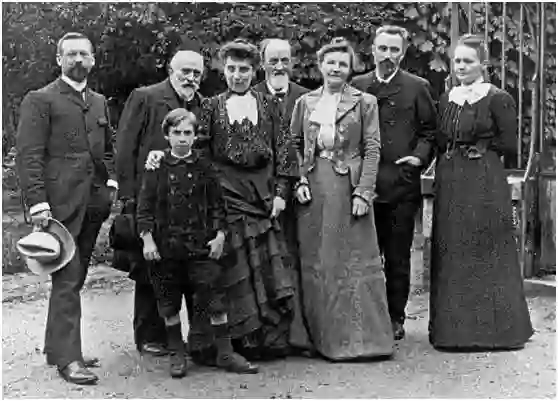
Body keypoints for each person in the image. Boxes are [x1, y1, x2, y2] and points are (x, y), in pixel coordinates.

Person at [145, 38, 300, 364]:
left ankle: (263, 341)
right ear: (223, 70)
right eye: (231, 69)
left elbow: (285, 151)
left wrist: (281, 194)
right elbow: (196, 151)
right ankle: (223, 346)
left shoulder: (270, 105)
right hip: (225, 197)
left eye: (244, 69)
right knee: (224, 272)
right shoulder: (211, 107)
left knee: (263, 268)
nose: (237, 75)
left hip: (262, 198)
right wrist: (162, 156)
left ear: (254, 71)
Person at [16, 32, 116, 385]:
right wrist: (37, 202)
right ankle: (69, 359)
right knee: (68, 279)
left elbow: (107, 149)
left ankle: (56, 347)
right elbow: (28, 156)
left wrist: (111, 184)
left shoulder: (99, 101)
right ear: (59, 59)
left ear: (93, 60)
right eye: (70, 54)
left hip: (93, 202)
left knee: (74, 277)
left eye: (84, 54)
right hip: (58, 205)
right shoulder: (40, 99)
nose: (78, 60)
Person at [289, 37, 394, 361]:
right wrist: (299, 180)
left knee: (351, 262)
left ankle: (360, 341)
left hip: (348, 189)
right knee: (317, 261)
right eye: (330, 62)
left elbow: (372, 149)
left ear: (351, 70)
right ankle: (315, 338)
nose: (336, 68)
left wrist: (363, 192)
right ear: (320, 65)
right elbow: (293, 144)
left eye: (342, 64)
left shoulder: (365, 102)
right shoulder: (305, 102)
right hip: (313, 191)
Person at [428, 34, 533, 351]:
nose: (461, 66)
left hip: (484, 179)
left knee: (486, 248)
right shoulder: (448, 98)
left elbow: (509, 143)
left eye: (468, 61)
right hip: (451, 180)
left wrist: (481, 147)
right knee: (453, 248)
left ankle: (496, 332)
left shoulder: (497, 98)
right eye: (457, 60)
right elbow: (440, 139)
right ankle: (454, 333)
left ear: (483, 64)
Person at [136, 108, 258, 377]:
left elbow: (218, 205)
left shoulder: (204, 166)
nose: (182, 138)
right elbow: (144, 207)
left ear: (194, 136)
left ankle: (225, 353)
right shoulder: (156, 167)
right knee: (169, 302)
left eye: (187, 133)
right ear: (167, 135)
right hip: (166, 247)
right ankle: (177, 353)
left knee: (214, 299)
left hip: (201, 245)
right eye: (176, 133)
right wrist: (147, 239)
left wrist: (220, 235)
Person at [115, 40, 205, 357]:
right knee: (149, 268)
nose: (190, 78)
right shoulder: (146, 97)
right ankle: (149, 336)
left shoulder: (203, 105)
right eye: (185, 71)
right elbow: (125, 150)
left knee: (183, 270)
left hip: (189, 204)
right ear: (170, 71)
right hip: (150, 200)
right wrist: (128, 198)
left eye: (196, 73)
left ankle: (187, 336)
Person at [352, 26, 438, 340]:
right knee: (364, 255)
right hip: (364, 185)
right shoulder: (358, 85)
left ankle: (394, 317)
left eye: (394, 50)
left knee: (398, 256)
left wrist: (418, 158)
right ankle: (365, 316)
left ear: (402, 53)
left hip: (401, 185)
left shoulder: (417, 87)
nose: (388, 55)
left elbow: (430, 131)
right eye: (383, 48)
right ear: (372, 50)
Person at [251, 38, 310, 352]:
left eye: (284, 60)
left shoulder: (308, 97)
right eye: (272, 60)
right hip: (262, 195)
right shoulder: (249, 97)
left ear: (292, 62)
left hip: (301, 194)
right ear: (262, 63)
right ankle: (269, 334)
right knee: (265, 261)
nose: (279, 66)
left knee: (297, 258)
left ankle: (300, 332)